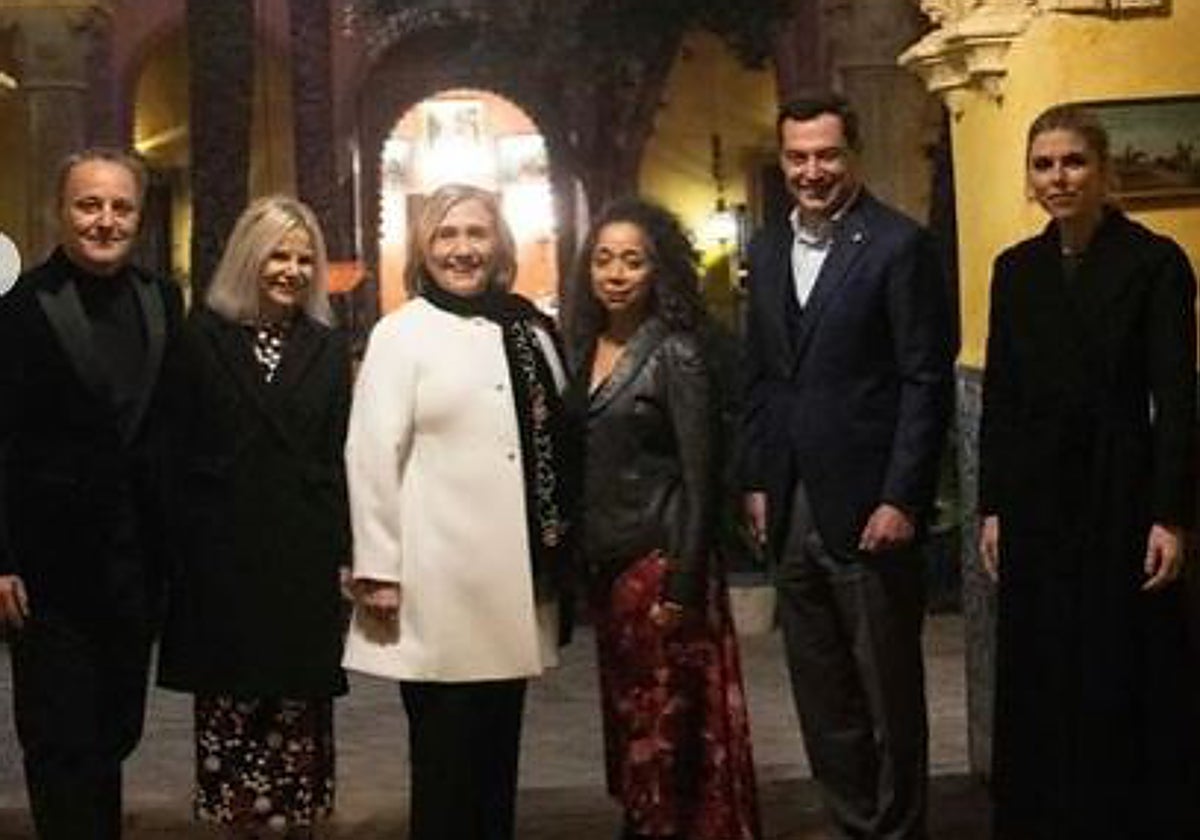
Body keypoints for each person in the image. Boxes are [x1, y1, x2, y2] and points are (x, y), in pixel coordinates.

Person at [979, 104, 1198, 839]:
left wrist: (1171, 513)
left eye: (1073, 162)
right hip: (1037, 499)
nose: (1058, 177)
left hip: (1121, 489)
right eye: (1043, 165)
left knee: (1121, 662)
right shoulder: (1015, 271)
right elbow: (1002, 400)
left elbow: (1176, 394)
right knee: (1043, 668)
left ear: (1103, 171)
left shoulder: (1155, 263)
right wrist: (993, 507)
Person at [739, 93, 954, 840]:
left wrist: (903, 496)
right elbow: (763, 374)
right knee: (822, 692)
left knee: (887, 691)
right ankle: (852, 825)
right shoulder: (765, 250)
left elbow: (924, 380)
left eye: (826, 154)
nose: (812, 170)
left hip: (870, 506)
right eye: (797, 156)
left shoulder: (899, 245)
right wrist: (761, 480)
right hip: (793, 502)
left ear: (851, 154)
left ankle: (898, 832)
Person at [342, 183, 572, 840]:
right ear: (422, 248)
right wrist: (377, 569)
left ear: (499, 244)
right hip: (434, 589)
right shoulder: (400, 334)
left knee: (499, 763)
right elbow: (370, 457)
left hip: (514, 587)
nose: (462, 250)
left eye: (475, 234)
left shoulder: (530, 328)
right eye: (446, 235)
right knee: (444, 766)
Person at [564, 197, 761, 840]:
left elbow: (703, 478)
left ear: (659, 271)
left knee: (673, 726)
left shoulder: (676, 352)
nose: (616, 273)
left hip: (662, 563)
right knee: (633, 719)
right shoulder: (581, 348)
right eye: (603, 259)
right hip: (610, 565)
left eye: (633, 261)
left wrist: (682, 581)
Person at [0, 147, 183, 838]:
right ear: (61, 210)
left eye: (120, 206)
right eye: (89, 204)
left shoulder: (162, 298)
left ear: (137, 214)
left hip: (135, 568)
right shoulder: (17, 306)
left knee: (114, 736)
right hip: (46, 572)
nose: (104, 220)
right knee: (58, 746)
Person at [156, 195, 350, 838]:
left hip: (302, 560)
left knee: (296, 724)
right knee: (232, 722)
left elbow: (338, 451)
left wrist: (350, 552)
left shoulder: (326, 346)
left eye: (303, 258)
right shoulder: (200, 337)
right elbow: (173, 448)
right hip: (223, 563)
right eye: (278, 254)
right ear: (248, 257)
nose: (291, 270)